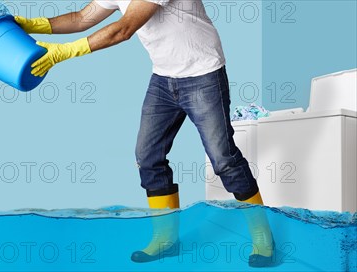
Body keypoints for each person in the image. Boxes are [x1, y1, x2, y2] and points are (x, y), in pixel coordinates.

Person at [15, 0, 274, 267]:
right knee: (148, 156)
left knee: (224, 159)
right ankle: (166, 239)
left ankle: (262, 236)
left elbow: (124, 29)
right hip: (163, 79)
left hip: (202, 75)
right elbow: (82, 18)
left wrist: (65, 52)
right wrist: (34, 25)